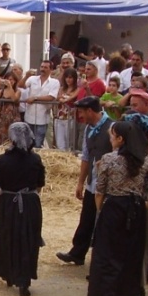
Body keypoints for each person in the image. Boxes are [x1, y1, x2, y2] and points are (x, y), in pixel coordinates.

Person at [87, 120, 148, 296]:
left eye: (112, 135)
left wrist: (101, 210)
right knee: (132, 256)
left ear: (120, 139)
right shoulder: (144, 160)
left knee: (107, 257)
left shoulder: (108, 160)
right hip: (136, 209)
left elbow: (100, 191)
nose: (110, 139)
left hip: (114, 208)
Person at [0, 122, 45, 296]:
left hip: (8, 203)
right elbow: (39, 185)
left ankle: (8, 273)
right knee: (28, 240)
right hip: (31, 204)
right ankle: (24, 280)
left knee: (7, 237)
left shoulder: (3, 160)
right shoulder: (35, 159)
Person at [56, 97, 114, 266]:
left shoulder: (112, 127)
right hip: (93, 182)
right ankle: (77, 252)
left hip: (108, 185)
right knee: (87, 218)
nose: (80, 115)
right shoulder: (89, 128)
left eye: (81, 111)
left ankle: (101, 259)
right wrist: (81, 182)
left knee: (102, 221)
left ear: (90, 111)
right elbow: (86, 157)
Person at [24, 60, 60, 148]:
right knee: (27, 143)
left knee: (38, 143)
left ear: (51, 69)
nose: (43, 69)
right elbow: (21, 86)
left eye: (45, 67)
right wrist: (26, 76)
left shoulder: (55, 82)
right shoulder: (32, 79)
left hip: (42, 118)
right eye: (42, 67)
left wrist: (35, 98)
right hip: (29, 116)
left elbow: (51, 97)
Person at [0, 68, 23, 146]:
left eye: (11, 80)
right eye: (8, 79)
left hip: (14, 117)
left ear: (15, 81)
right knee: (1, 135)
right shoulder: (2, 91)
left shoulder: (18, 91)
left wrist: (10, 87)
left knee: (13, 137)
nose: (9, 81)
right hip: (3, 117)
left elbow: (14, 98)